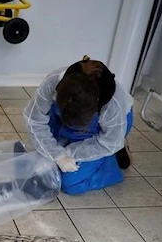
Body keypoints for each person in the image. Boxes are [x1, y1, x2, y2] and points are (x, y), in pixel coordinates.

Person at [23, 56, 134, 195]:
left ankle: (110, 162)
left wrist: (69, 153)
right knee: (45, 164)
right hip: (67, 116)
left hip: (110, 128)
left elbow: (110, 141)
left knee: (71, 183)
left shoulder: (113, 104)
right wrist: (57, 155)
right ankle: (71, 140)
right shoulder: (54, 82)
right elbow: (35, 120)